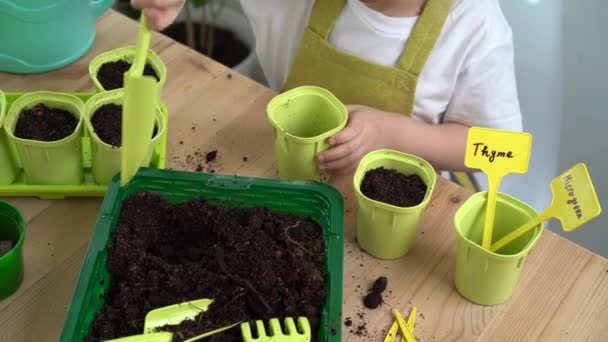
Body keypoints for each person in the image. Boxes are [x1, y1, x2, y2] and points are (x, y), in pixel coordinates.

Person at [131, 0, 522, 188]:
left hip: (392, 208)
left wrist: (391, 135)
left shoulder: (475, 28)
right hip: (282, 178)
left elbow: (506, 150)